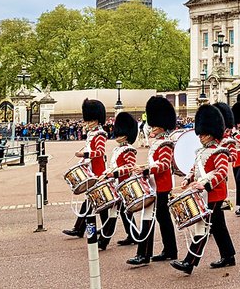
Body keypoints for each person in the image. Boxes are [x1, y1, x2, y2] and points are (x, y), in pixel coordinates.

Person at [171, 104, 236, 275]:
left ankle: (189, 262)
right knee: (218, 226)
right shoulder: (202, 151)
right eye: (200, 133)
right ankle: (229, 256)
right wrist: (187, 179)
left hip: (214, 194)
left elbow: (221, 173)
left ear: (212, 133)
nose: (200, 137)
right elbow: (195, 169)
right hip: (204, 194)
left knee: (204, 225)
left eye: (204, 134)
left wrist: (205, 185)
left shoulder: (220, 152)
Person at [127, 96, 178, 265]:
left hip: (161, 186)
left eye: (154, 125)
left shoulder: (165, 144)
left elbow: (163, 165)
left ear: (161, 126)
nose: (151, 128)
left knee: (149, 217)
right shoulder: (159, 142)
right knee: (161, 218)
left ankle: (144, 254)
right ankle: (170, 250)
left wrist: (146, 169)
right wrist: (145, 169)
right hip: (155, 185)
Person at [63, 99, 109, 238]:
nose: (87, 124)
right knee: (91, 201)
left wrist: (85, 154)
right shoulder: (92, 134)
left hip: (97, 171)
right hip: (90, 169)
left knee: (99, 203)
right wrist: (83, 159)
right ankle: (80, 229)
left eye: (90, 121)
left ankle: (104, 231)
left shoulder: (100, 134)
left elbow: (100, 152)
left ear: (96, 120)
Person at [98, 112, 139, 250]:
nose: (116, 135)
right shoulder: (118, 149)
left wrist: (114, 174)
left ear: (125, 135)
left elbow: (129, 167)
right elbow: (112, 166)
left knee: (114, 213)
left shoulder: (129, 150)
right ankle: (133, 235)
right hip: (117, 184)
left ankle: (104, 241)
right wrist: (106, 173)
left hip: (124, 184)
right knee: (124, 212)